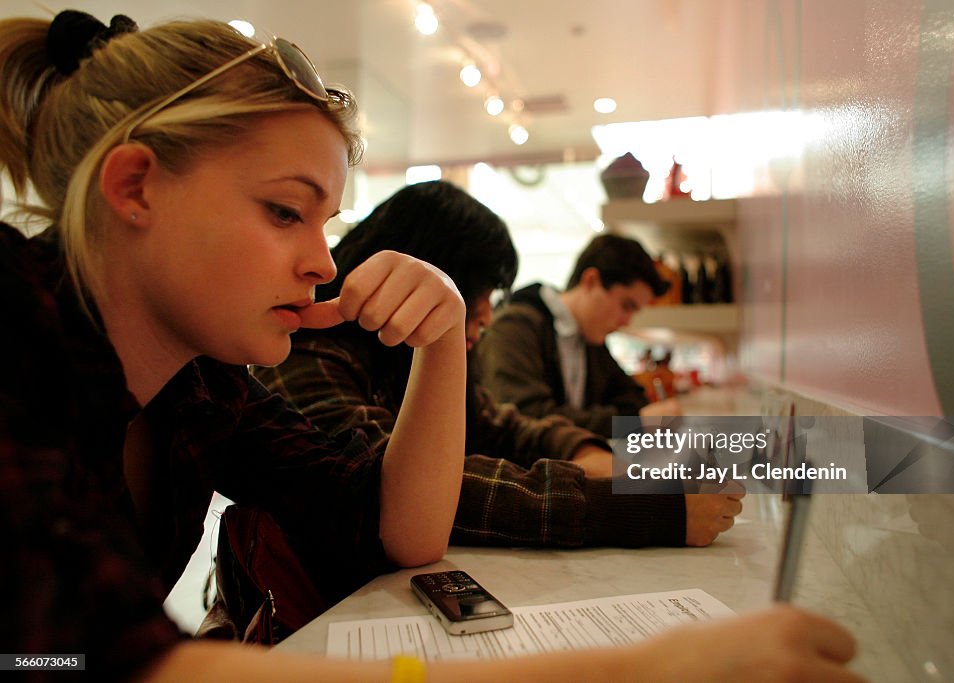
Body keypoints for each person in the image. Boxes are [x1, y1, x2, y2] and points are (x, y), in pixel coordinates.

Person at [0, 9, 863, 682]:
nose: (321, 260)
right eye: (284, 211)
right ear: (135, 185)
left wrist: (444, 339)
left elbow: (401, 527)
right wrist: (634, 663)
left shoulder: (206, 386)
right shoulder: (20, 325)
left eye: (326, 220)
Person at [255, 180, 742, 552]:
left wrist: (592, 456)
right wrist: (640, 507)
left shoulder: (403, 354)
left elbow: (506, 425)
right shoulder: (305, 355)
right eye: (285, 214)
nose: (485, 315)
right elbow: (417, 491)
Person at [475, 233, 677, 438]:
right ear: (590, 281)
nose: (627, 321)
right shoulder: (514, 327)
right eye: (626, 306)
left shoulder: (589, 336)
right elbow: (527, 418)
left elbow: (631, 397)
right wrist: (632, 424)